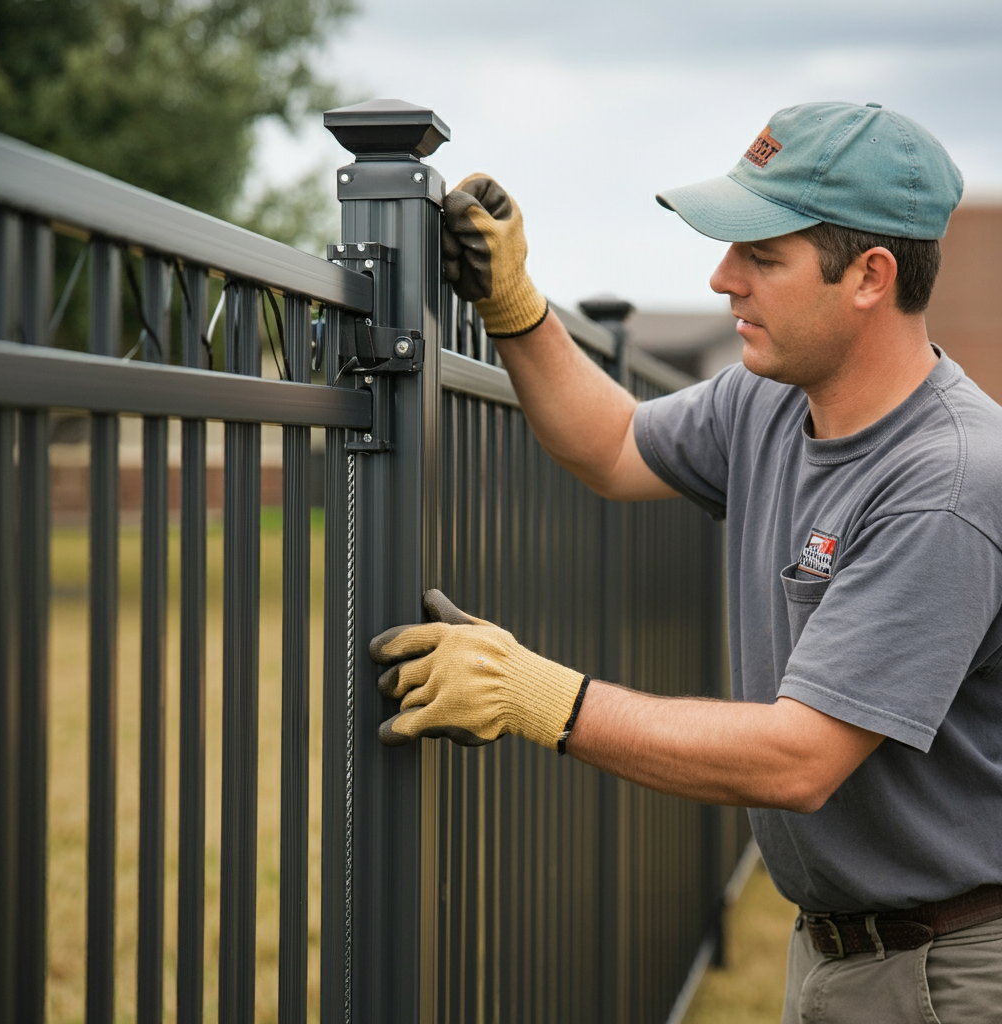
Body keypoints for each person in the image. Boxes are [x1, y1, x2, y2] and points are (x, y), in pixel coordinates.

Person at [369, 101, 1002, 1022]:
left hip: (945, 971)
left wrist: (534, 695)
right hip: (847, 946)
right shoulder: (773, 398)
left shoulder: (946, 482)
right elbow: (615, 445)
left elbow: (800, 759)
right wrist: (513, 306)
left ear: (870, 276)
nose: (722, 278)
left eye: (763, 256)